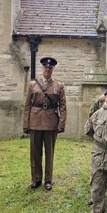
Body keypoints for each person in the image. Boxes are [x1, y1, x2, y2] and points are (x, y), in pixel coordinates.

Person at [22, 57, 67, 191]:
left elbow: (63, 106)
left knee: (49, 153)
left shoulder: (59, 86)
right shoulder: (32, 85)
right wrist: (26, 124)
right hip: (35, 122)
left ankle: (48, 180)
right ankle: (36, 179)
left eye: (50, 68)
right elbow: (27, 105)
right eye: (46, 67)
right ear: (42, 68)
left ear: (53, 70)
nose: (48, 70)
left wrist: (61, 124)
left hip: (51, 122)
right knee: (35, 153)